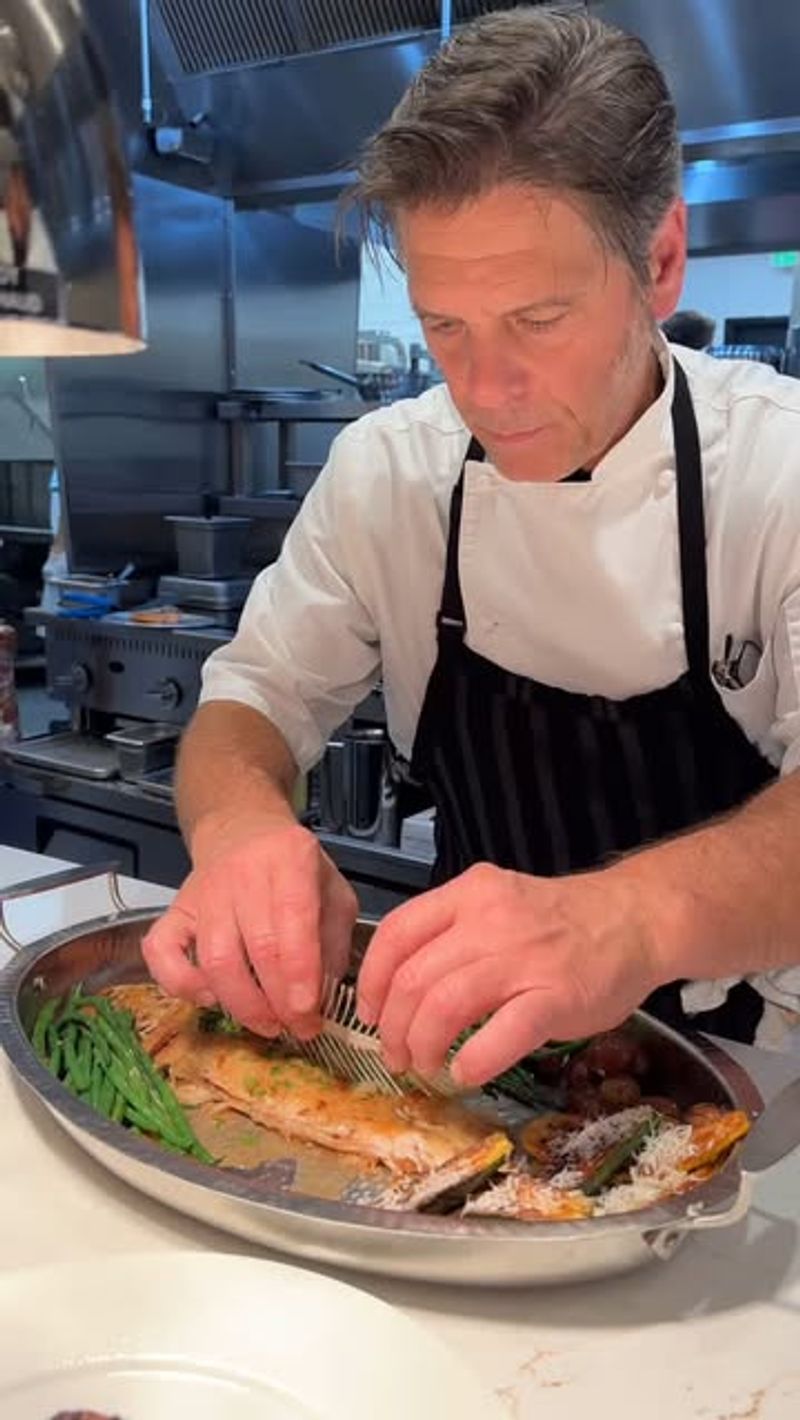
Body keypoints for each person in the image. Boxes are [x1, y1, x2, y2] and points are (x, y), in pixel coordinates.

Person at [143, 7, 800, 1083]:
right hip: (457, 1064)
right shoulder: (388, 472)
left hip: (747, 1076)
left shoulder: (773, 471)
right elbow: (248, 698)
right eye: (443, 325)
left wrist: (627, 918)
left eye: (537, 320)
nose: (483, 391)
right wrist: (241, 829)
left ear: (662, 259)